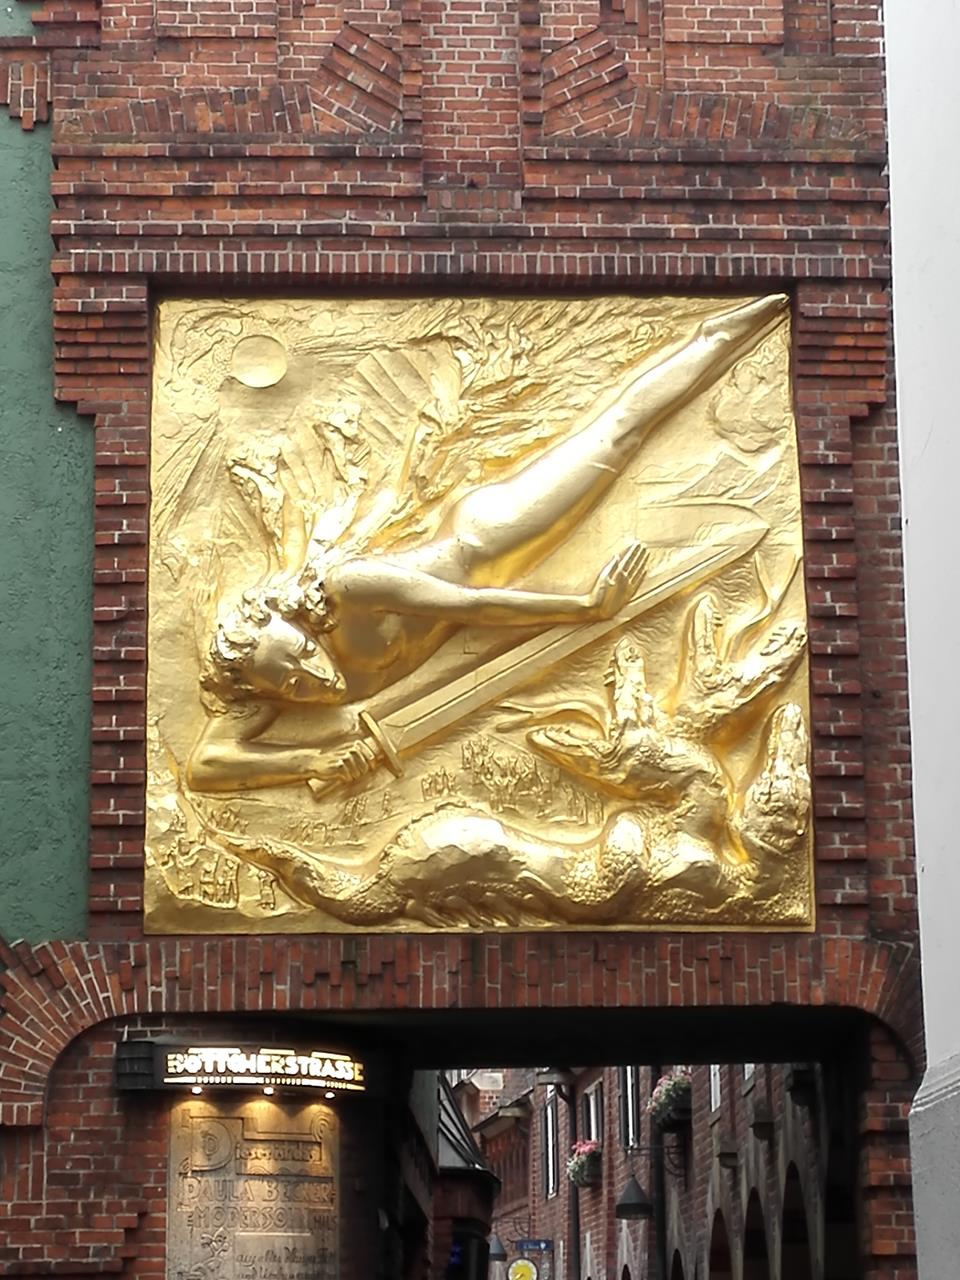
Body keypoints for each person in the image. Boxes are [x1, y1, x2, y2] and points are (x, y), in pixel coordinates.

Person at [187, 294, 787, 793]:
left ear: (301, 624)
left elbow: (470, 604)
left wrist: (585, 606)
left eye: (302, 654)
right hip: (479, 634)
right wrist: (308, 761)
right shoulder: (267, 681)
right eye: (293, 684)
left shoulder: (349, 589)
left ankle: (723, 332)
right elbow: (206, 766)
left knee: (618, 433)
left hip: (490, 543)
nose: (313, 676)